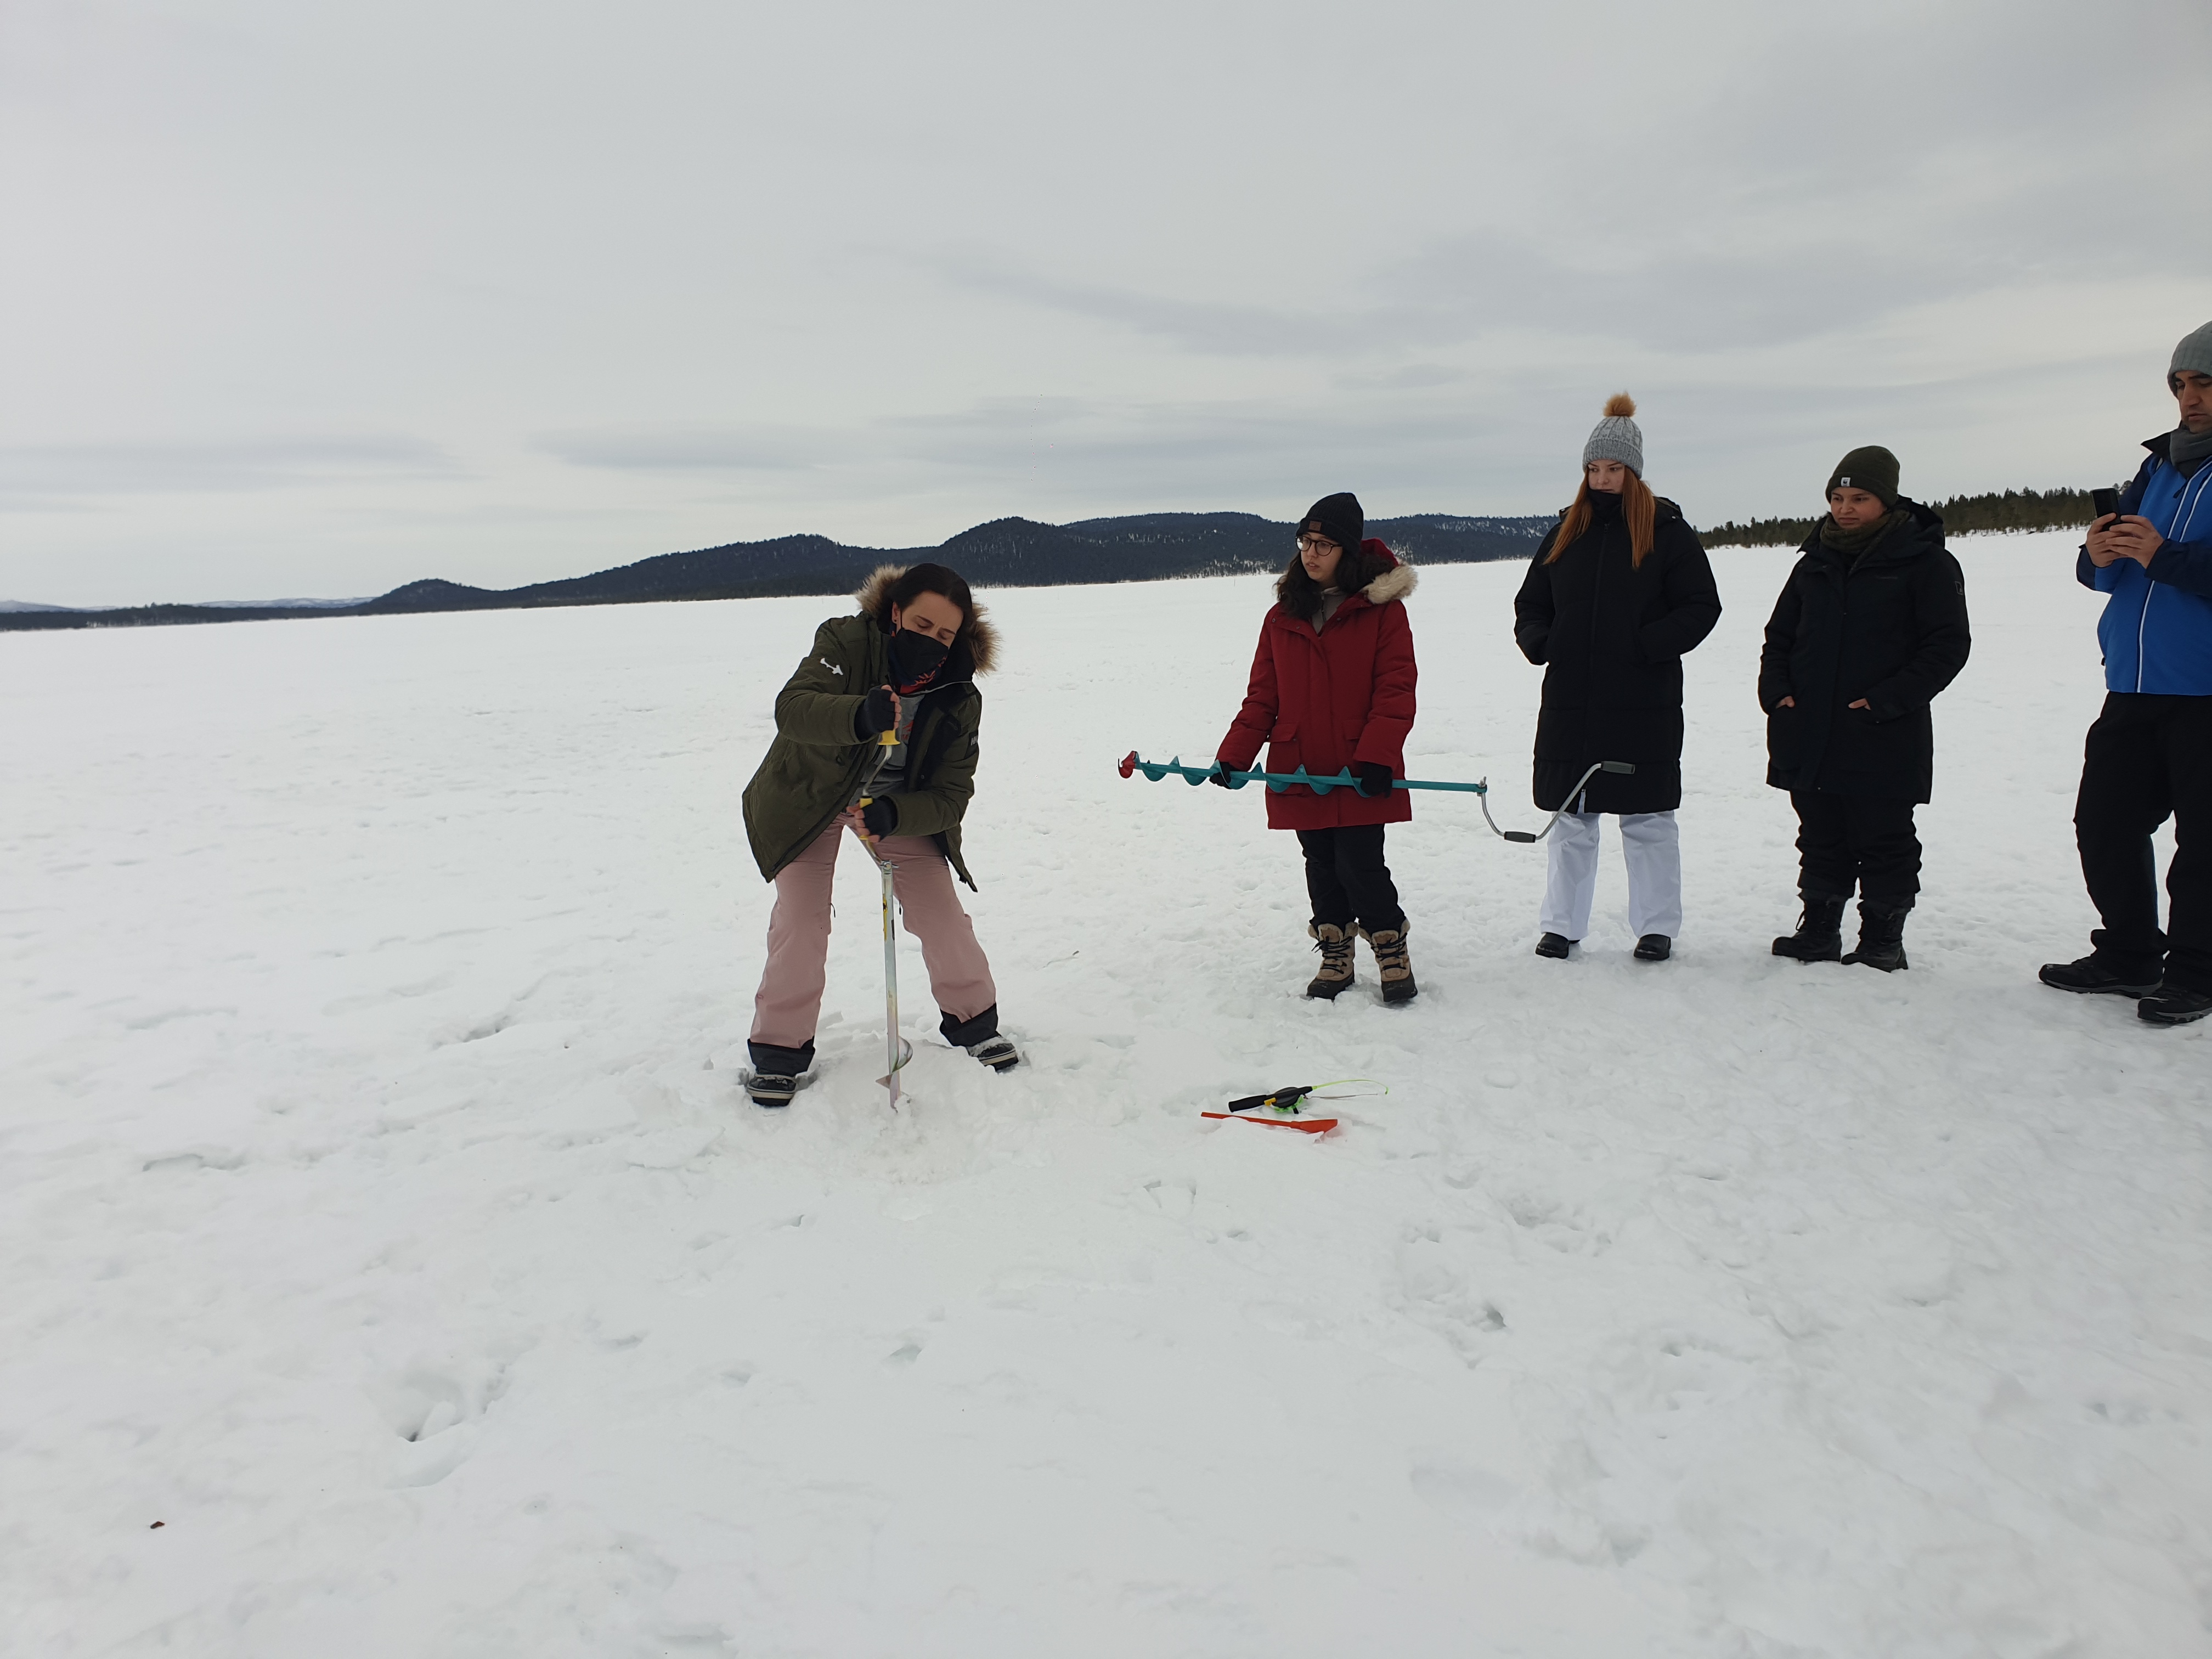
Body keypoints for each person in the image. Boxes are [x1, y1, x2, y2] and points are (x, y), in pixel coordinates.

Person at [740, 562, 1018, 1105]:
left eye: (945, 635)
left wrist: (896, 813)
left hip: (889, 806)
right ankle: (778, 1053)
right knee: (802, 920)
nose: (932, 641)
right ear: (895, 614)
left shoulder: (959, 696)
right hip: (811, 796)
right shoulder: (845, 642)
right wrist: (858, 716)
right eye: (922, 625)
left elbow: (951, 796)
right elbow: (792, 708)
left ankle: (976, 1025)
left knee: (941, 915)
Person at [2040, 321, 2212, 1026]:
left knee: (2203, 845)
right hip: (2135, 684)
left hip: (2205, 691)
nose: (2190, 398)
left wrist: (2164, 556)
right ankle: (2130, 953)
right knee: (2104, 822)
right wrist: (2099, 553)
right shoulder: (2159, 467)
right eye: (2181, 384)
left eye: (2205, 383)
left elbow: (2167, 561)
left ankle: (2197, 973)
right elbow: (2106, 577)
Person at [1513, 394, 1721, 963]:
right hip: (1572, 704)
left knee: (1648, 819)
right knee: (1571, 819)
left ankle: (1656, 927)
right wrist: (1542, 642)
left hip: (1642, 701)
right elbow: (1531, 604)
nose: (1603, 480)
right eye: (1594, 469)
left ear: (1634, 472)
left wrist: (1646, 645)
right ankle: (1561, 926)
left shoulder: (1667, 532)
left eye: (1614, 469)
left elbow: (1701, 606)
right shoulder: (1564, 533)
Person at [1759, 448, 1971, 971]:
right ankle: (1819, 930)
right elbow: (1779, 637)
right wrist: (1777, 693)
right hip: (1808, 725)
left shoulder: (1926, 562)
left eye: (1859, 498)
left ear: (1887, 501)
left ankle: (1882, 938)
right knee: (1820, 832)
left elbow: (1947, 647)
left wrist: (1887, 700)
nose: (1845, 509)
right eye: (1837, 497)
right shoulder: (1814, 562)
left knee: (1884, 836)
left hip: (1883, 730)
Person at [1213, 492, 1420, 1003]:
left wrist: (1377, 755)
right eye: (1305, 541)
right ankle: (1335, 950)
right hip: (1299, 764)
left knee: (1360, 863)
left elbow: (1395, 691)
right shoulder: (1281, 617)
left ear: (1347, 550)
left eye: (1324, 544)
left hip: (1358, 766)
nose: (1311, 553)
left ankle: (1390, 945)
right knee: (1321, 864)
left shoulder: (1382, 613)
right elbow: (1263, 696)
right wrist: (1235, 754)